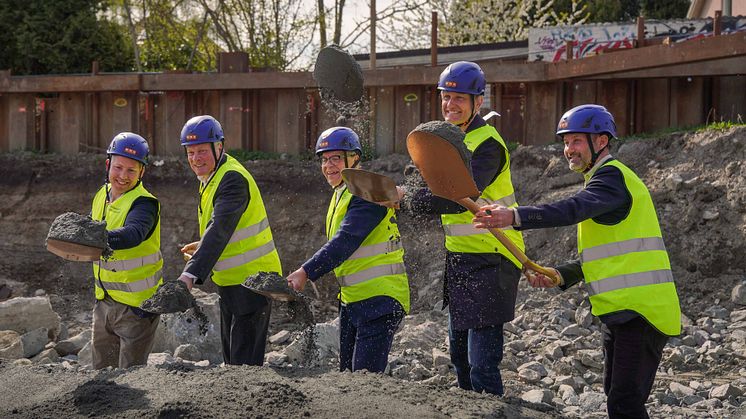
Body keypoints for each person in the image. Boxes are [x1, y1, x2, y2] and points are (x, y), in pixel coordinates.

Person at [472, 104, 681, 418]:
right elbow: (608, 254)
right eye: (566, 142)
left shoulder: (612, 178)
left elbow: (572, 209)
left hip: (641, 311)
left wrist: (514, 216)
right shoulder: (603, 181)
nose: (569, 149)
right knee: (619, 399)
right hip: (622, 312)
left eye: (577, 141)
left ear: (601, 142)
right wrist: (560, 274)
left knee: (624, 403)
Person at [400, 61, 525, 395]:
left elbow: (461, 197)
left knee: (482, 362)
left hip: (494, 257)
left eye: (459, 98)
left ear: (478, 102)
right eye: (445, 97)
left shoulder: (488, 144)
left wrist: (408, 199)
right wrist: (413, 186)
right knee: (459, 356)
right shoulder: (448, 140)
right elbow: (430, 184)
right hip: (460, 260)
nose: (449, 105)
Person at [287, 126, 410, 373]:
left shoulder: (368, 192)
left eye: (336, 158)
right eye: (324, 159)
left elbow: (345, 242)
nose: (329, 165)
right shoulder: (341, 193)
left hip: (379, 299)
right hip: (354, 300)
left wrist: (306, 271)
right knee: (349, 378)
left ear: (354, 158)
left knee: (364, 380)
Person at [176, 115, 282, 366]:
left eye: (202, 150)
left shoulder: (232, 178)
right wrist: (203, 247)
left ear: (219, 146)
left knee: (243, 367)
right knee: (232, 363)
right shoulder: (212, 177)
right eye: (190, 152)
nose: (195, 158)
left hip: (253, 284)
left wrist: (189, 275)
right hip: (232, 283)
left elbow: (220, 229)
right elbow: (224, 228)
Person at [91, 132, 162, 369]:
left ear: (142, 172)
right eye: (118, 167)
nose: (123, 176)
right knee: (102, 375)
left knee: (130, 380)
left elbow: (134, 233)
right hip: (104, 302)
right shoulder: (102, 195)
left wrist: (95, 238)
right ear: (108, 164)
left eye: (131, 170)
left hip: (137, 308)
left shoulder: (145, 203)